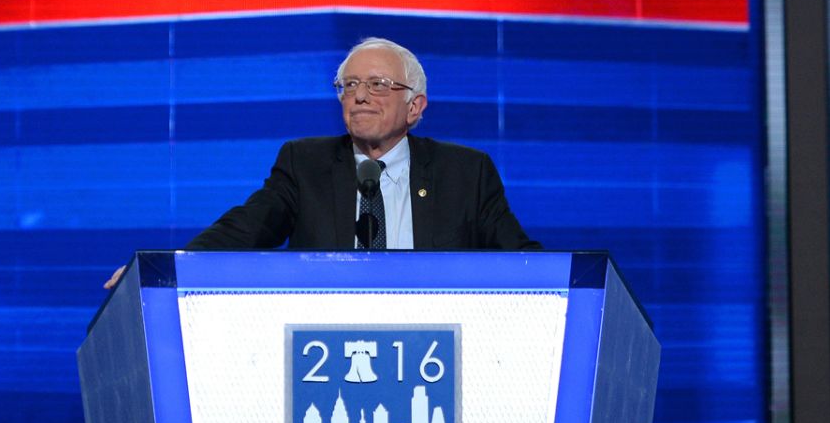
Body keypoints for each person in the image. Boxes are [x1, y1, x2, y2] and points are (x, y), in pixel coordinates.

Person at [104, 37, 538, 288]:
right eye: (348, 85)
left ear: (415, 107)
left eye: (378, 84)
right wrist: (163, 268)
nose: (360, 95)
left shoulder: (465, 172)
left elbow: (524, 261)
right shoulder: (304, 163)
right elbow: (245, 228)